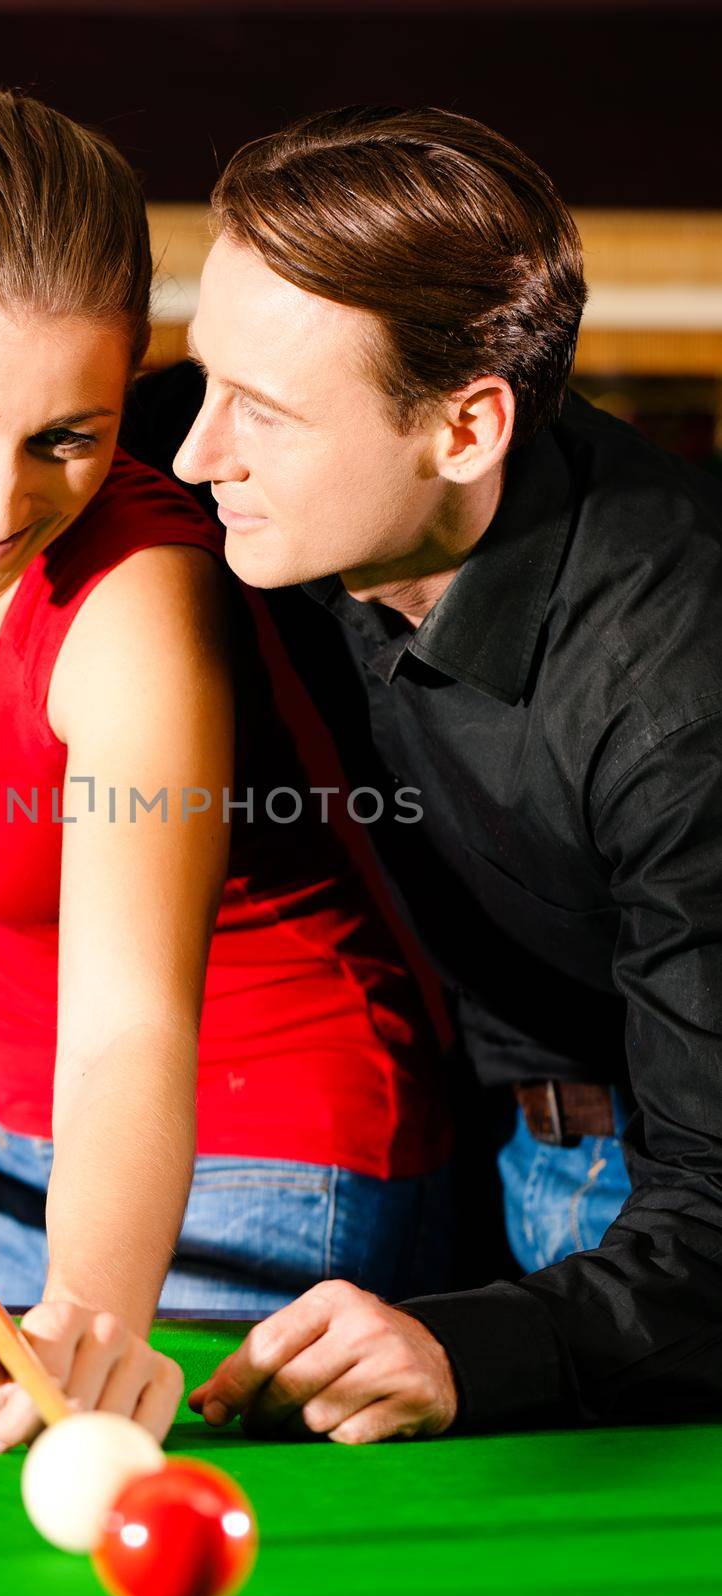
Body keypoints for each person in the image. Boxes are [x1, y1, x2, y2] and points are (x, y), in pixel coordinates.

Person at [0, 90, 452, 1452]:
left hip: (273, 1150)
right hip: (30, 1132)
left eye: (69, 435)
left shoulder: (135, 608)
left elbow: (129, 1020)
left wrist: (93, 1312)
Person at [122, 104, 722, 1442]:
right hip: (459, 1128)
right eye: (204, 375)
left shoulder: (680, 697)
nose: (192, 452)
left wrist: (489, 1347)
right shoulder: (317, 475)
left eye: (258, 413)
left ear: (464, 430)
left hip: (650, 1206)